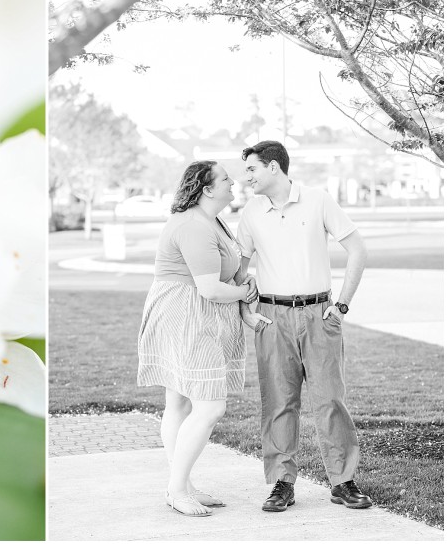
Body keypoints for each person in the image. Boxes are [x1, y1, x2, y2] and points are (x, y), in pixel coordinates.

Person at [237, 140, 372, 513]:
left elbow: (358, 249)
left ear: (274, 167)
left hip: (319, 314)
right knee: (278, 402)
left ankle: (343, 482)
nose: (245, 176)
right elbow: (238, 268)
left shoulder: (318, 200)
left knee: (330, 400)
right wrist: (246, 313)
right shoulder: (250, 211)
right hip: (271, 316)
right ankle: (282, 483)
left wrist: (342, 305)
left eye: (251, 168)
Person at [137, 160, 259, 517]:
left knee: (180, 404)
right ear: (207, 189)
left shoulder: (214, 220)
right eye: (225, 178)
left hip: (199, 314)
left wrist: (242, 290)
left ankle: (183, 483)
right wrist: (245, 294)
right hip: (185, 315)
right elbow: (209, 288)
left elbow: (229, 276)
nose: (233, 181)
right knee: (208, 406)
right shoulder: (192, 225)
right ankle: (177, 490)